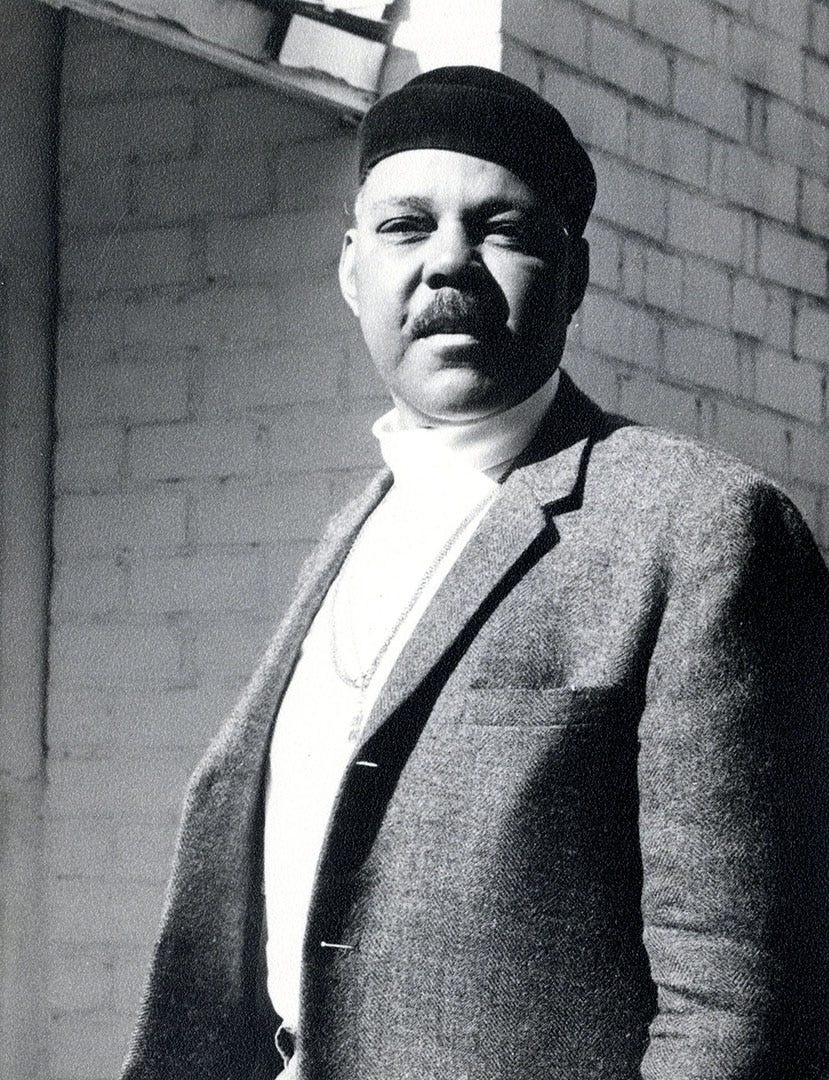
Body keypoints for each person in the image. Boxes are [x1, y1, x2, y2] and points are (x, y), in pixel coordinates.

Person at [120, 67, 829, 1080]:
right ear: (351, 269)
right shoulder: (349, 535)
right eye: (407, 226)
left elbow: (738, 1007)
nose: (448, 262)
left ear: (573, 275)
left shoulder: (700, 528)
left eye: (501, 228)